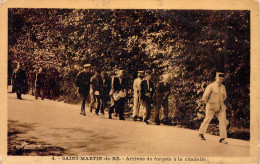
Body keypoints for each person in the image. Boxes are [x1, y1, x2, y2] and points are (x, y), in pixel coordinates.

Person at [198, 72, 228, 144]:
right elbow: (205, 96)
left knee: (223, 121)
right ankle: (201, 133)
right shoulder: (211, 86)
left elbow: (225, 96)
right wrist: (208, 103)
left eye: (222, 79)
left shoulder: (223, 87)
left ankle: (222, 138)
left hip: (220, 107)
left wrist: (222, 101)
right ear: (216, 78)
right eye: (219, 78)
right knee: (207, 119)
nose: (221, 80)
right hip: (211, 106)